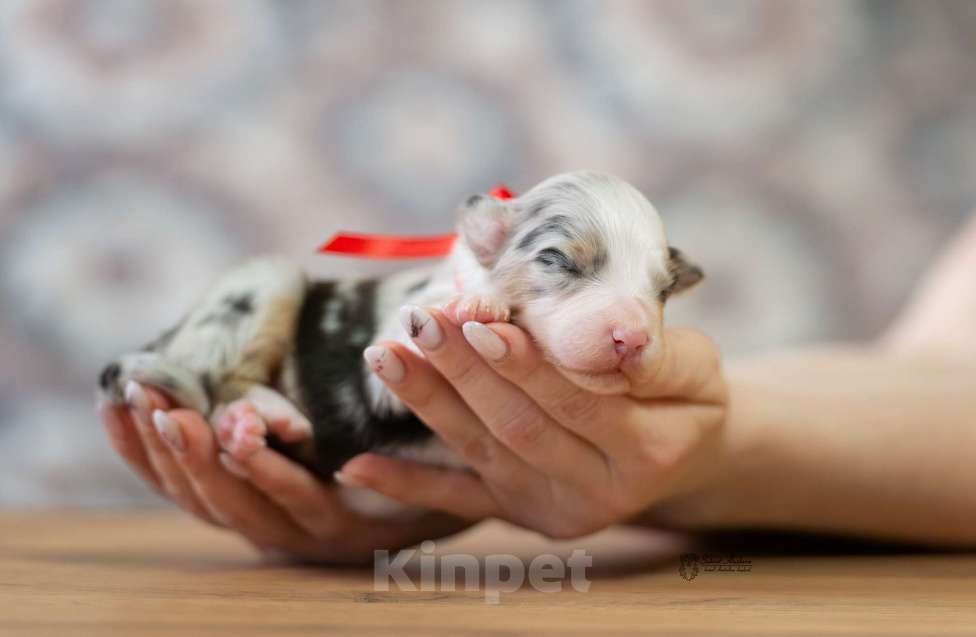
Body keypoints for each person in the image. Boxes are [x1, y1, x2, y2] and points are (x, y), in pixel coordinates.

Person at [99, 216, 976, 564]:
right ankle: (223, 389)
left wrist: (704, 448)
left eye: (651, 292)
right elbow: (931, 373)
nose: (628, 323)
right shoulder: (451, 294)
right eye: (567, 266)